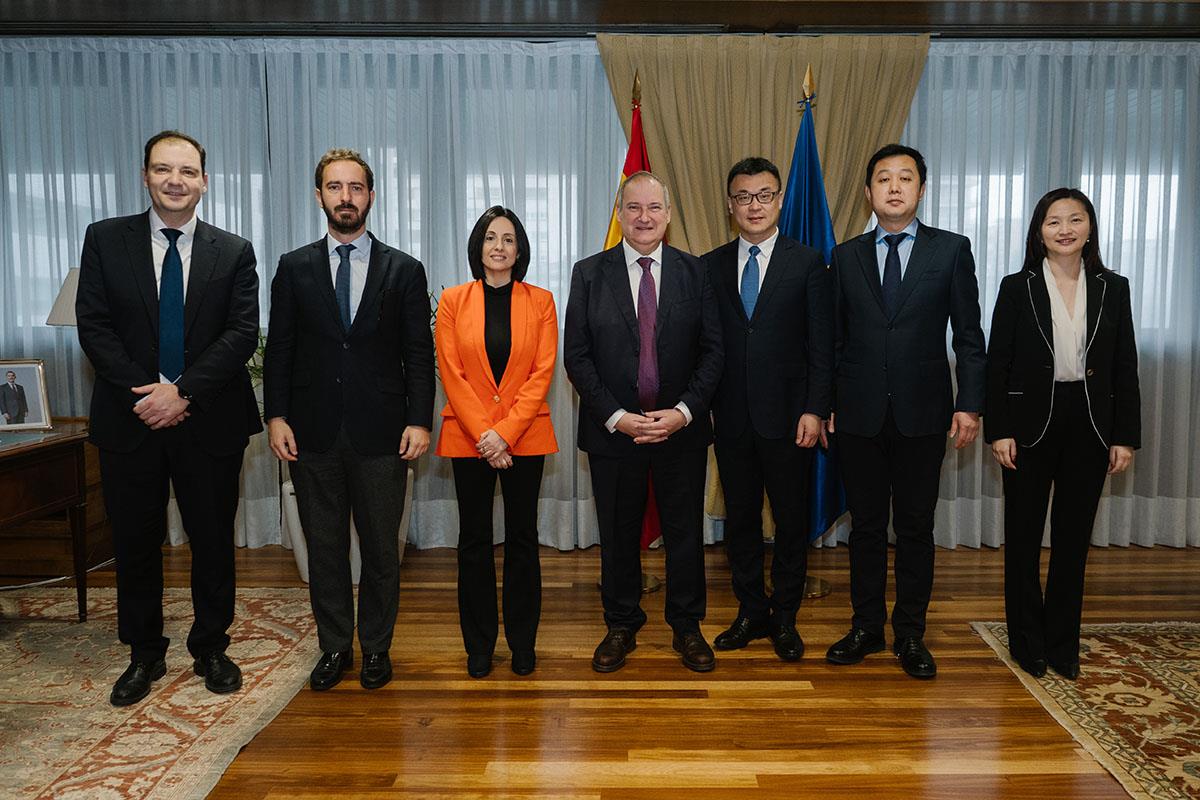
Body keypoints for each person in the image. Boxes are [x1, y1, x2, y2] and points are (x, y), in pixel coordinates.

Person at [76, 130, 261, 706]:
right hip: (130, 419)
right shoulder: (105, 240)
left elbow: (240, 333)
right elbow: (94, 325)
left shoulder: (233, 251)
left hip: (208, 419)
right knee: (135, 541)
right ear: (146, 176)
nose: (175, 180)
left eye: (187, 171)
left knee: (212, 539)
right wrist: (148, 394)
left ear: (205, 181)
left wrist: (181, 393)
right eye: (163, 170)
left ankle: (211, 646)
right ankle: (144, 653)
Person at [263, 148, 434, 691]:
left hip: (383, 434)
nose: (345, 197)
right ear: (319, 196)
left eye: (355, 187)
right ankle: (335, 647)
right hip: (311, 432)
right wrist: (276, 416)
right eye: (334, 187)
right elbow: (281, 350)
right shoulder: (293, 268)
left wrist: (419, 420)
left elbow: (418, 354)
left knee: (383, 549)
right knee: (326, 547)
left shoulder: (404, 269)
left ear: (371, 196)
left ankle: (377, 647)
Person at [825, 144, 986, 679]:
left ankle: (910, 634)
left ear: (921, 189)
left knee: (915, 528)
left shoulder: (951, 251)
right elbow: (832, 339)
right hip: (858, 414)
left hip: (923, 412)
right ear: (868, 192)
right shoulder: (845, 255)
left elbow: (968, 336)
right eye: (883, 179)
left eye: (906, 178)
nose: (894, 187)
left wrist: (969, 404)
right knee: (866, 528)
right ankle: (867, 627)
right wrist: (824, 403)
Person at [564, 170, 724, 673]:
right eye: (633, 207)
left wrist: (681, 414)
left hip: (681, 432)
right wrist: (617, 417)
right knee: (617, 533)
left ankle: (687, 626)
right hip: (615, 433)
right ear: (619, 213)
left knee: (683, 533)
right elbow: (578, 356)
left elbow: (713, 353)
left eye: (654, 208)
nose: (644, 217)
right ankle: (620, 623)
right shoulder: (589, 273)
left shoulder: (696, 273)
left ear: (669, 215)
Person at [985, 188, 1140, 681]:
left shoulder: (1114, 287)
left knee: (1073, 542)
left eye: (1075, 219)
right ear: (1039, 231)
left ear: (1090, 227)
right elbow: (998, 364)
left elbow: (1124, 367)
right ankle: (1027, 642)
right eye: (1054, 221)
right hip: (1029, 422)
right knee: (1024, 537)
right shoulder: (1017, 286)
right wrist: (999, 431)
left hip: (1091, 424)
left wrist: (1124, 436)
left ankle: (1061, 644)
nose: (1065, 229)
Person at [702, 157, 833, 662]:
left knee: (790, 521)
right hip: (729, 417)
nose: (753, 205)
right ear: (730, 204)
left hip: (790, 418)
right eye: (743, 196)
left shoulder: (809, 262)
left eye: (764, 195)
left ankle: (785, 617)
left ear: (779, 200)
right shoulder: (708, 265)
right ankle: (750, 610)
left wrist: (814, 409)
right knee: (740, 522)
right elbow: (704, 346)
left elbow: (821, 346)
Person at [435, 206, 558, 678]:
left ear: (520, 249)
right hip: (469, 438)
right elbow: (453, 373)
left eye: (508, 239)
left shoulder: (542, 301)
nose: (499, 247)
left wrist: (503, 434)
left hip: (524, 437)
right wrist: (486, 436)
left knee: (524, 540)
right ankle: (480, 646)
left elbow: (541, 373)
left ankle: (523, 644)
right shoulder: (452, 301)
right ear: (478, 247)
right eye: (490, 238)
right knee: (474, 542)